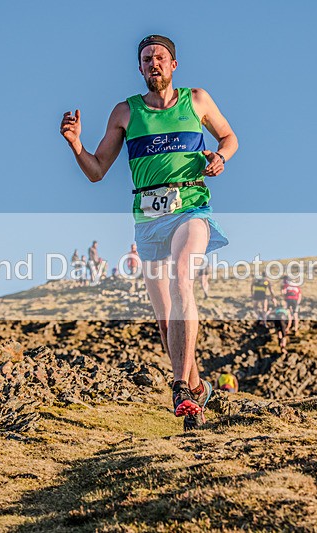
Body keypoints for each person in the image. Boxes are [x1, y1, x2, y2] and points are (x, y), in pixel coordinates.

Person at [60, 35, 238, 430]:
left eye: (159, 57)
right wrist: (75, 145)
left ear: (174, 64)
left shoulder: (197, 100)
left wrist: (220, 157)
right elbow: (96, 170)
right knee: (165, 321)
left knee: (182, 280)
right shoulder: (125, 112)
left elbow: (230, 137)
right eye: (146, 59)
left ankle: (179, 388)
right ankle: (197, 390)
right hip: (148, 218)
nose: (153, 63)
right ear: (139, 68)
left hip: (190, 207)